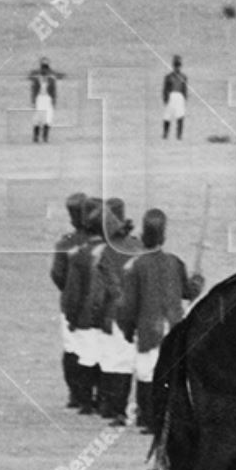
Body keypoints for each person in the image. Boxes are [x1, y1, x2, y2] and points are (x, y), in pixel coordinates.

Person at [118, 208, 205, 433]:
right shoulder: (175, 262)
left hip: (149, 329)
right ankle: (165, 418)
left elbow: (128, 307)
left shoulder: (135, 266)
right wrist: (197, 282)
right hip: (173, 326)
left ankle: (149, 420)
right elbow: (188, 292)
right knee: (169, 373)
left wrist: (127, 330)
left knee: (147, 374)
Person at [78, 198, 142, 423]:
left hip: (114, 313)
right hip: (139, 313)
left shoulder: (105, 255)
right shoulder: (138, 246)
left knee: (115, 363)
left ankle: (115, 409)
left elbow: (98, 292)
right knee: (142, 365)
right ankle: (143, 413)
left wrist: (95, 319)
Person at [49, 192, 90, 408]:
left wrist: (69, 289)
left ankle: (76, 394)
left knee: (72, 349)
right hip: (94, 305)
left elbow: (57, 275)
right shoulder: (99, 242)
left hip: (70, 303)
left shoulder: (65, 243)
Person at [30, 59, 59, 143]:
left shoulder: (51, 80)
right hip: (39, 99)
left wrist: (53, 102)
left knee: (48, 118)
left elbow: (53, 92)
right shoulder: (36, 79)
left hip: (47, 99)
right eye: (43, 68)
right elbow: (34, 91)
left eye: (46, 68)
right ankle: (36, 136)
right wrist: (33, 101)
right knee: (37, 118)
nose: (44, 70)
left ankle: (45, 136)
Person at [162, 55, 189, 141]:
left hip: (179, 97)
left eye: (178, 65)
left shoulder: (183, 77)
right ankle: (165, 133)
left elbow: (184, 88)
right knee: (167, 116)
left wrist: (184, 98)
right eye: (176, 65)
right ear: (173, 66)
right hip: (171, 96)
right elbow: (165, 88)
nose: (177, 67)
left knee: (180, 116)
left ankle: (179, 135)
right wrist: (165, 98)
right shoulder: (168, 77)